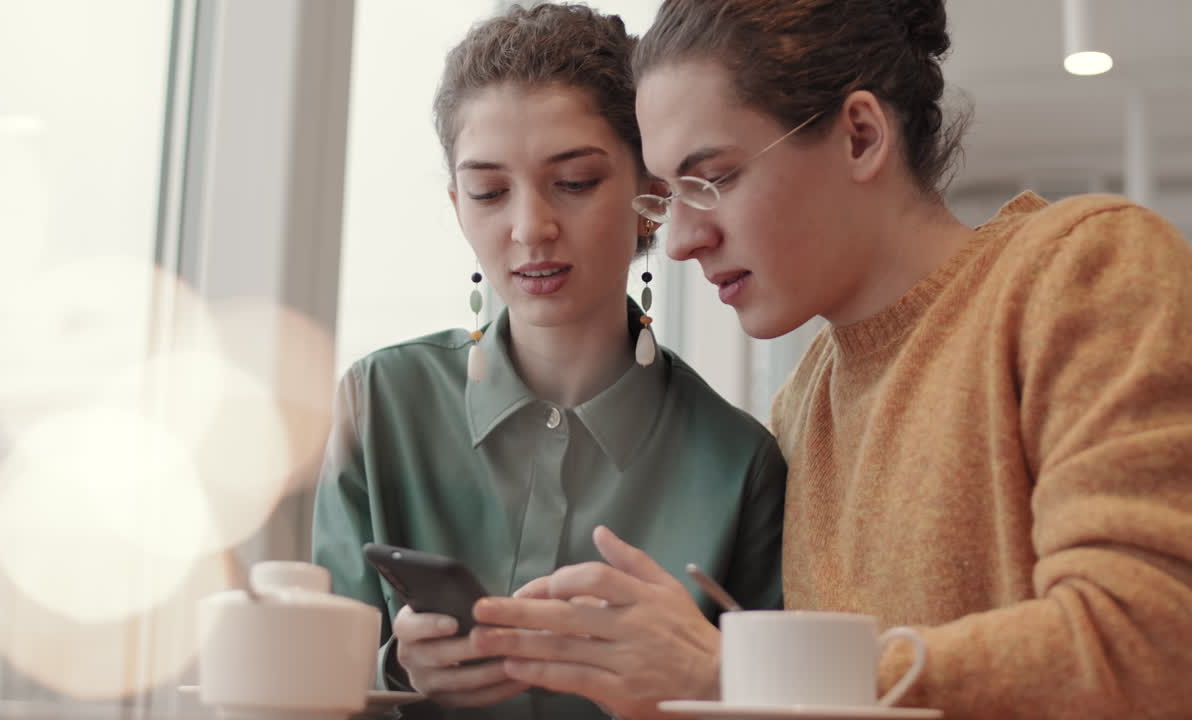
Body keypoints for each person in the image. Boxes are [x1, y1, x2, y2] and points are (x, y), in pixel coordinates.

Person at [469, 1, 1192, 718]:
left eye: (712, 179)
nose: (681, 241)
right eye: (668, 198)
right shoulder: (802, 403)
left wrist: (735, 675)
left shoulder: (1085, 271)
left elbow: (1150, 646)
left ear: (859, 136)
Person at [310, 4, 786, 719]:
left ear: (652, 196)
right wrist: (398, 670)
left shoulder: (739, 465)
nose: (531, 227)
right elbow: (309, 686)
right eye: (489, 192)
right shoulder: (379, 403)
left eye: (575, 181)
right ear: (458, 205)